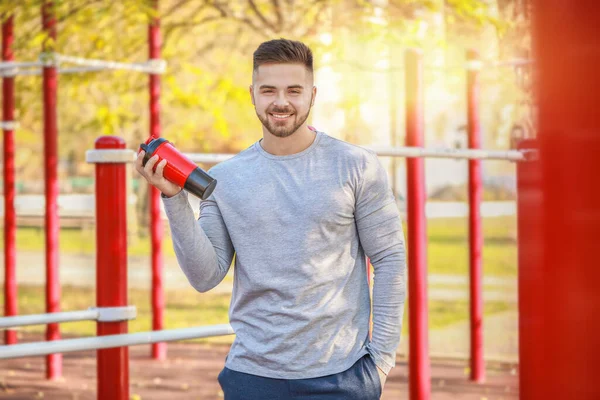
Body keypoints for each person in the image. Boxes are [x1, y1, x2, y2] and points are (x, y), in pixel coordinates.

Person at [135, 38, 406, 400]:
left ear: (313, 94)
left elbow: (390, 259)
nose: (281, 102)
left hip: (342, 377)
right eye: (269, 90)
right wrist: (174, 198)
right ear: (253, 94)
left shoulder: (356, 166)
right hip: (252, 378)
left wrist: (382, 361)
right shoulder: (226, 180)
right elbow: (204, 276)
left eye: (294, 90)